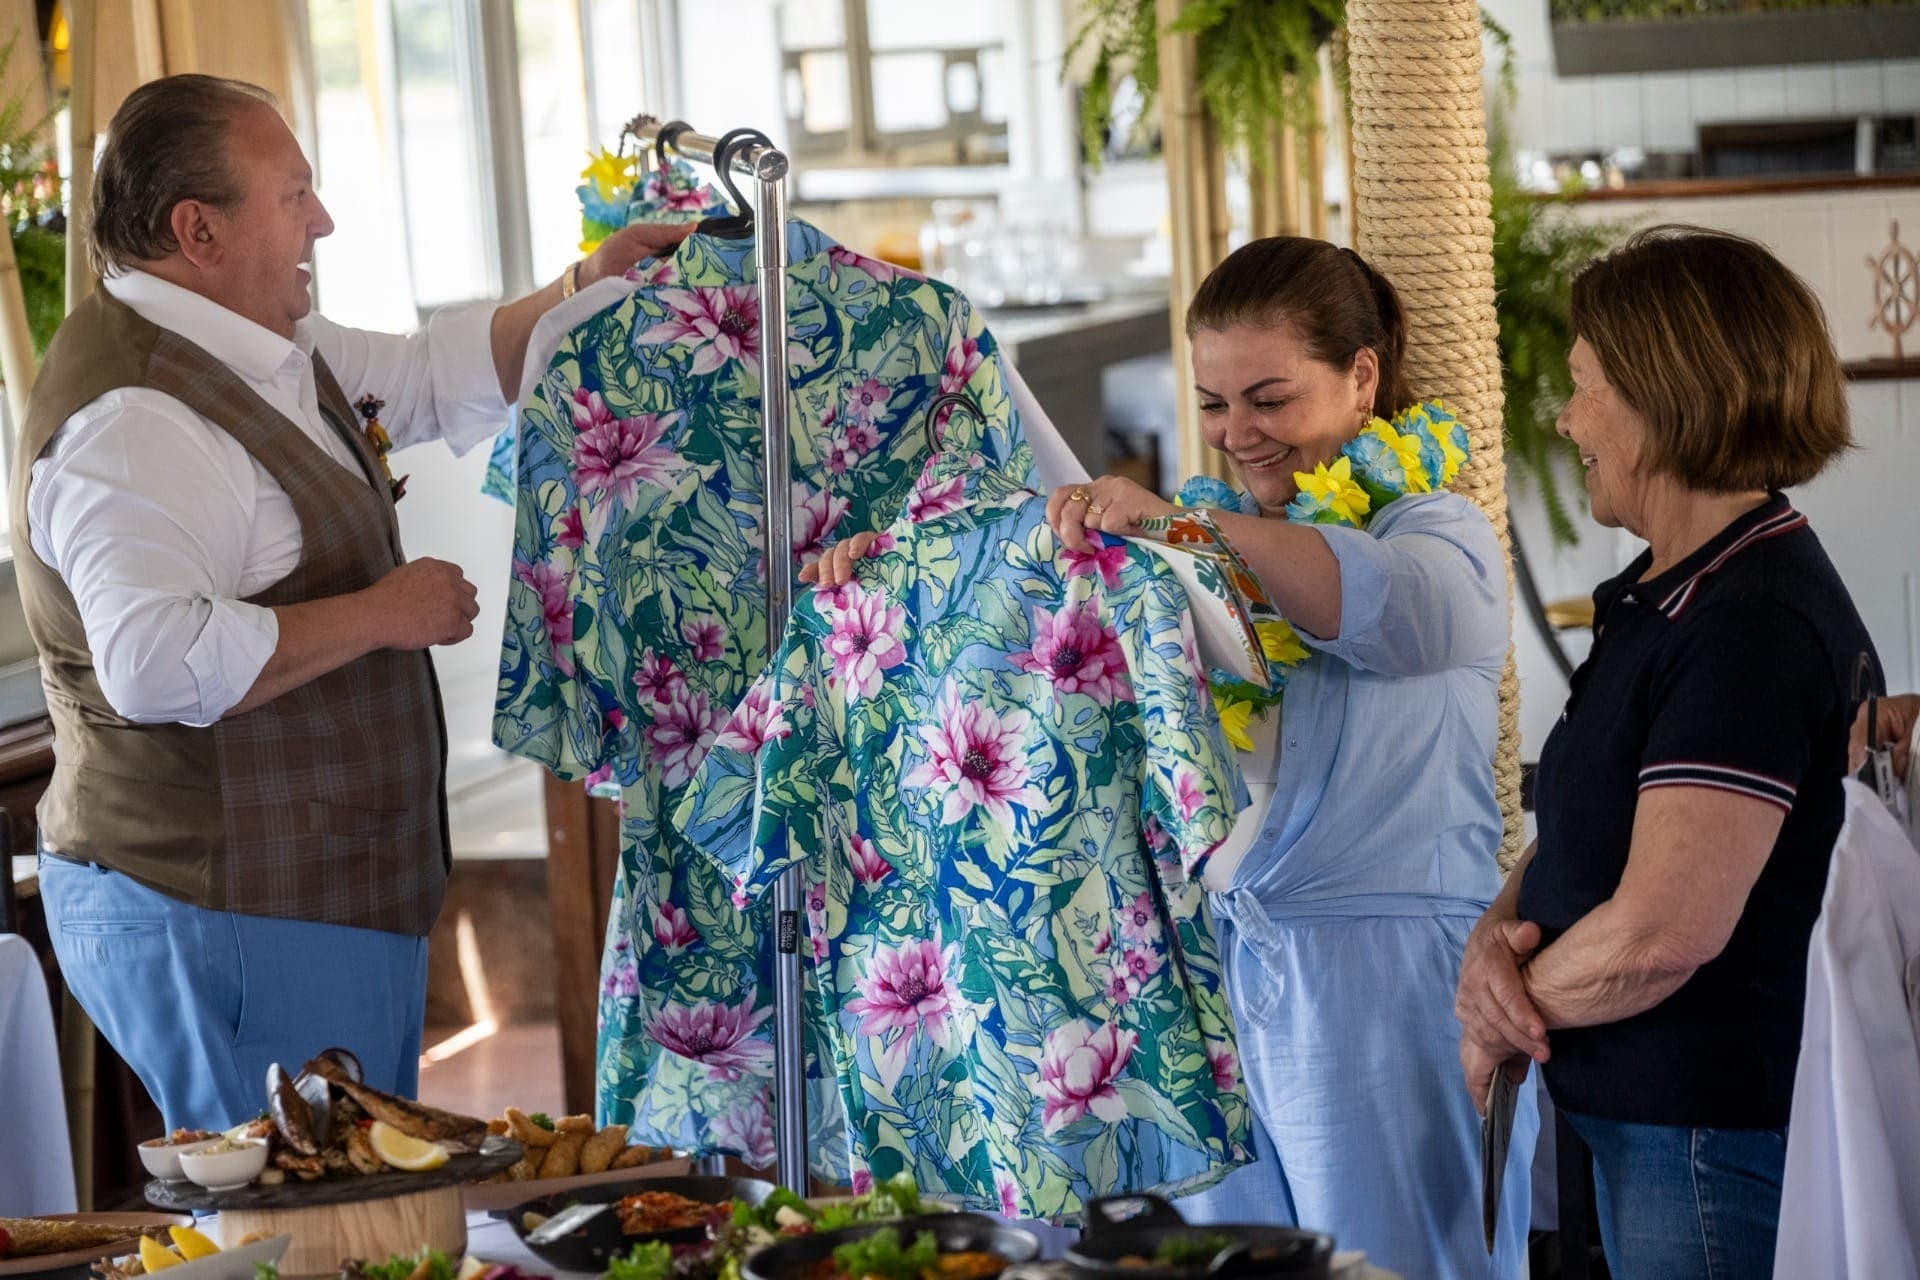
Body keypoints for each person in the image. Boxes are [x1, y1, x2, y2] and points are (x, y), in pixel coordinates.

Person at [813, 237, 1536, 1277]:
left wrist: (1185, 527)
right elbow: (1028, 635)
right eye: (1213, 402)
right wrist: (896, 572)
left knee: (1403, 1266)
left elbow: (1383, 604)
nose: (1240, 433)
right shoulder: (1191, 549)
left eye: (1270, 398)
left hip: (1391, 983)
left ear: (1364, 376)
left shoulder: (1442, 530)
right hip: (1223, 977)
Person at [11, 74, 689, 1130]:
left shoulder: (253, 342)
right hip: (221, 908)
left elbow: (419, 377)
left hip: (302, 900)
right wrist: (386, 610)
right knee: (298, 1228)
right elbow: (152, 663)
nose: (321, 221)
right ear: (199, 230)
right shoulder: (134, 420)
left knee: (352, 1210)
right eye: (294, 194)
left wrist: (582, 283)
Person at [1455, 226, 1873, 1279]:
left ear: (1665, 394)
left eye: (1586, 383)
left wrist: (1503, 1013)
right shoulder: (1675, 587)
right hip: (1648, 1122)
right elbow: (1590, 829)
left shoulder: (1750, 621)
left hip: (1706, 1135)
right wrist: (1491, 942)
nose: (1565, 416)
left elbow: (1661, 931)